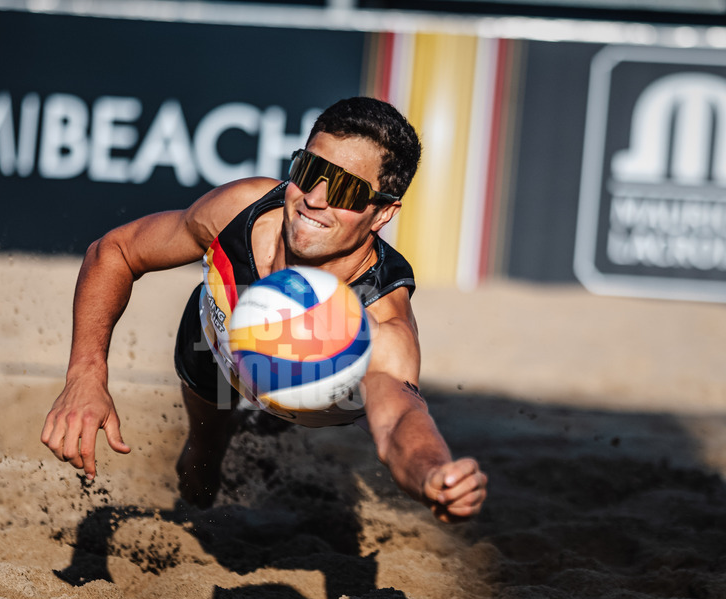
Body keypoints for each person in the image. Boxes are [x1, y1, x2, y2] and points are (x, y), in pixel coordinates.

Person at [41, 97, 487, 522]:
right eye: (309, 170)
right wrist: (85, 374)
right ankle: (212, 464)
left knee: (275, 418)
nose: (314, 199)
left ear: (384, 213)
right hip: (220, 341)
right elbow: (115, 251)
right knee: (200, 465)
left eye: (347, 190)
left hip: (319, 394)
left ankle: (269, 414)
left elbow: (400, 423)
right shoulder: (242, 211)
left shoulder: (378, 318)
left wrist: (434, 475)